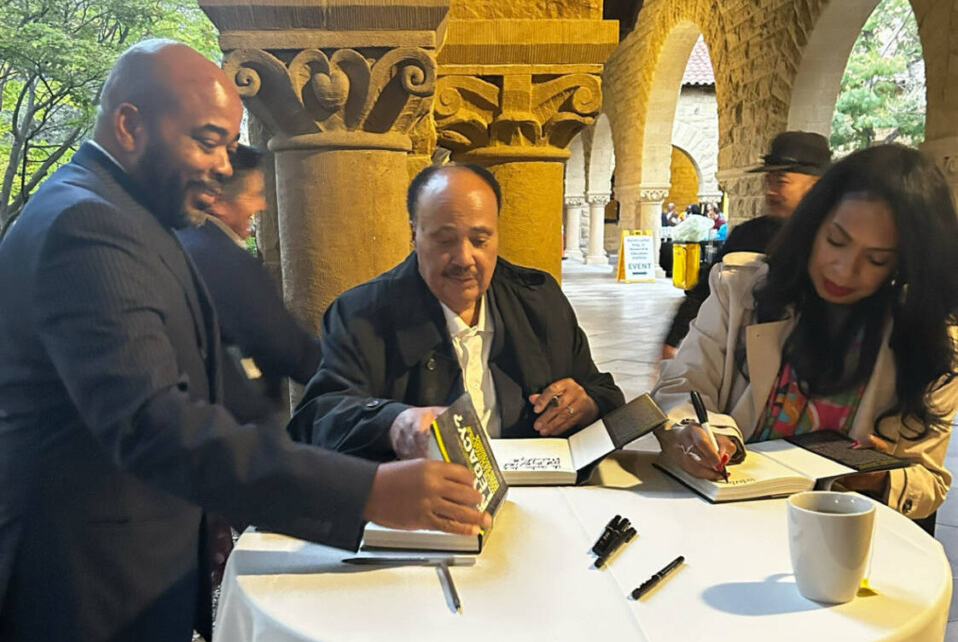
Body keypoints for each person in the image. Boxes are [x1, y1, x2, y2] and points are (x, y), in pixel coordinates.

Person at [0, 41, 488, 642]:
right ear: (129, 124)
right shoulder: (86, 228)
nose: (225, 165)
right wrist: (368, 490)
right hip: (84, 588)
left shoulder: (133, 216)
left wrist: (259, 490)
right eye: (206, 139)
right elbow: (156, 425)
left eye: (229, 143)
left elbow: (206, 387)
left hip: (129, 561)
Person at [652, 143, 958, 519]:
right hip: (724, 516)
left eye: (876, 259)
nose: (845, 270)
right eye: (836, 241)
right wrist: (692, 429)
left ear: (905, 264)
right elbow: (681, 386)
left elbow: (930, 482)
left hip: (836, 533)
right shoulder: (741, 290)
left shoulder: (930, 342)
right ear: (814, 224)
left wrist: (880, 478)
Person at [289, 162, 624, 459]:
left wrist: (586, 403)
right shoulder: (361, 314)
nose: (464, 259)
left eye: (480, 240)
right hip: (421, 497)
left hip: (541, 493)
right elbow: (318, 419)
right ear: (414, 234)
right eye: (445, 240)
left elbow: (603, 392)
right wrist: (393, 423)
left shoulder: (539, 300)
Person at [178, 143, 322, 423]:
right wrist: (350, 373)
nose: (262, 205)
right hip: (235, 423)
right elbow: (285, 346)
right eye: (254, 195)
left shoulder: (181, 241)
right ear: (218, 200)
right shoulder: (224, 259)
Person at [663, 131, 831, 356]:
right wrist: (672, 340)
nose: (771, 191)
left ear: (815, 186)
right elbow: (704, 290)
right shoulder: (749, 235)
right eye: (768, 181)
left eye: (781, 182)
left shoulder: (836, 241)